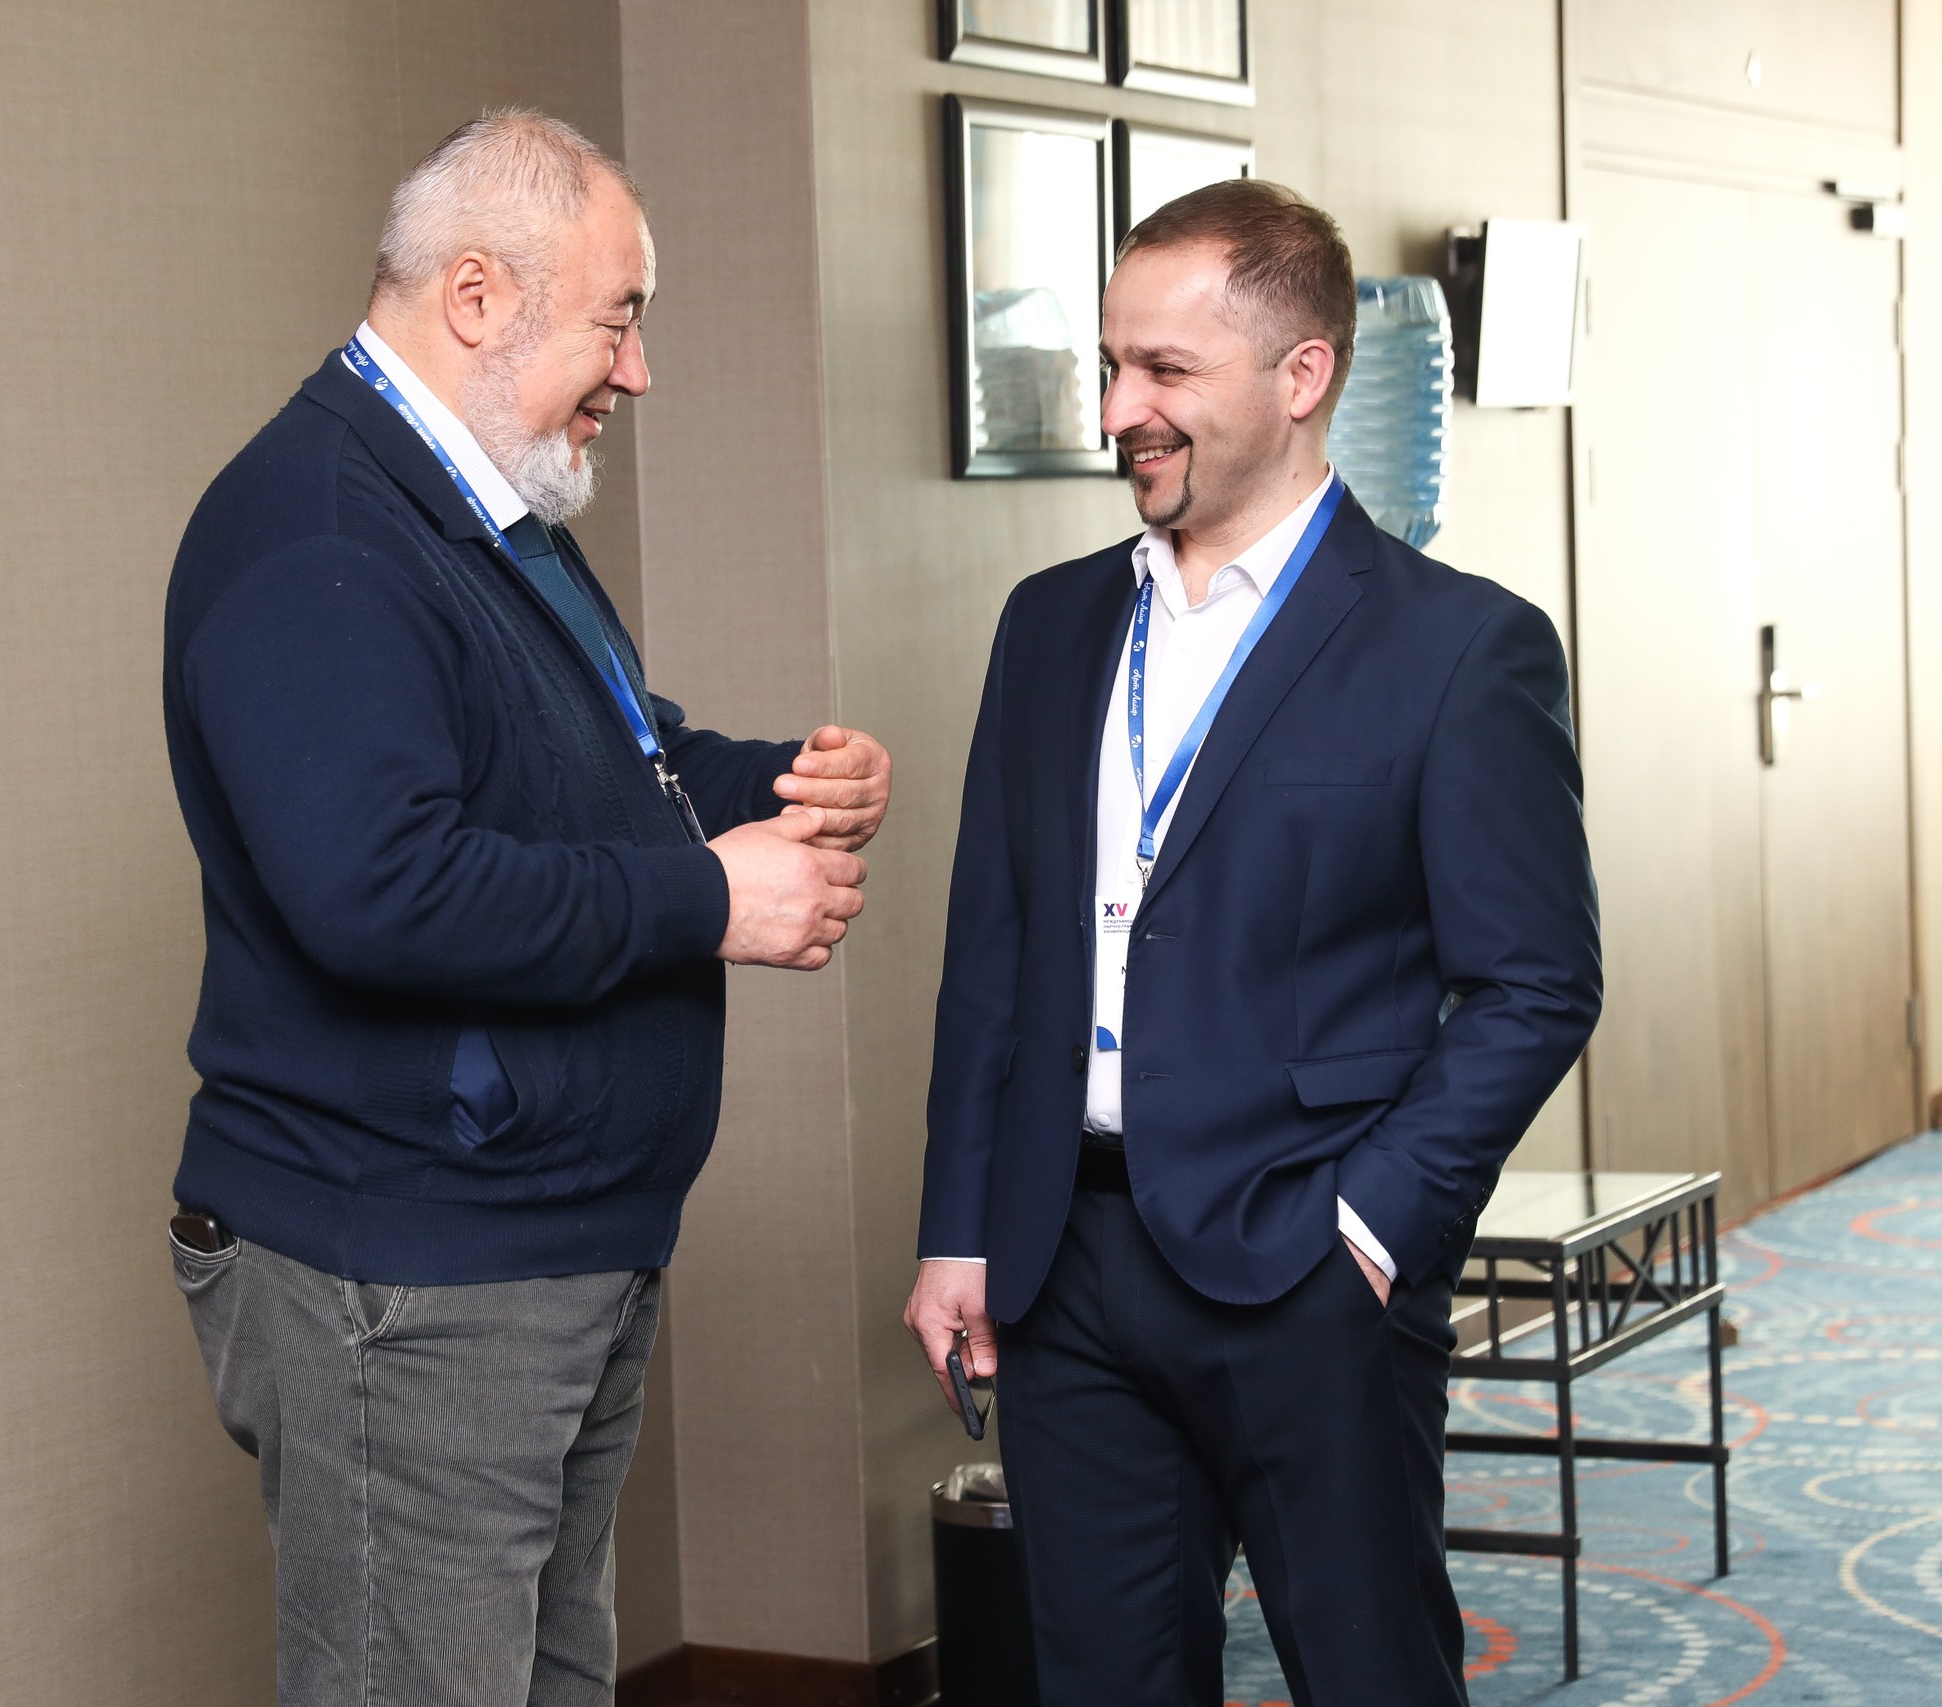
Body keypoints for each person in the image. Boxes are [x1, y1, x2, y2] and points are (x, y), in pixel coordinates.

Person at [161, 110, 891, 1706]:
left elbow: (598, 758)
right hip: (412, 1280)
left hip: (538, 1257)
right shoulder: (321, 537)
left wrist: (772, 782)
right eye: (618, 322)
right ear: (478, 298)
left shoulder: (477, 507)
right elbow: (381, 893)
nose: (639, 372)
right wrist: (709, 898)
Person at [904, 179, 1600, 1706]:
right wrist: (959, 1227)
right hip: (1062, 1268)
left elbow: (1537, 983)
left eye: (1165, 370)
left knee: (1370, 1677)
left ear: (1303, 376)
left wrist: (1373, 1225)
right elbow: (994, 956)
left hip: (1307, 1267)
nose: (1118, 411)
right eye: (1110, 365)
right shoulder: (1047, 626)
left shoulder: (1457, 648)